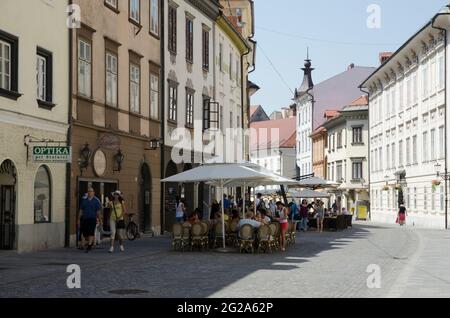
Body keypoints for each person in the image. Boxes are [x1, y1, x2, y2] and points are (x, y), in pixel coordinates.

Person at [79, 187, 102, 253]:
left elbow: (98, 212)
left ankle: (89, 245)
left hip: (92, 219)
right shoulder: (84, 201)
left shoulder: (96, 201)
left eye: (91, 191)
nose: (89, 192)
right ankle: (90, 243)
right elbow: (81, 210)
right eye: (88, 191)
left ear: (93, 193)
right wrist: (78, 219)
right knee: (85, 233)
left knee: (91, 232)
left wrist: (100, 220)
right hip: (85, 218)